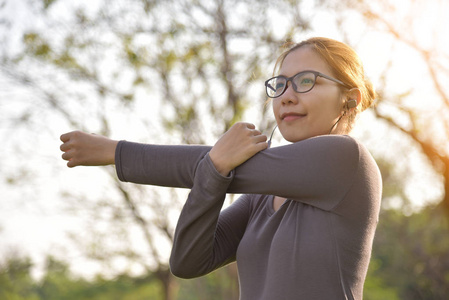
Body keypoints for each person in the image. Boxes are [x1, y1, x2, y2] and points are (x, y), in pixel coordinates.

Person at [60, 37, 382, 299]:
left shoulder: (346, 159)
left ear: (348, 99)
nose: (286, 97)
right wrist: (214, 168)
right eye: (280, 84)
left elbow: (213, 165)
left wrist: (116, 151)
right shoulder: (261, 198)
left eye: (306, 81)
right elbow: (187, 261)